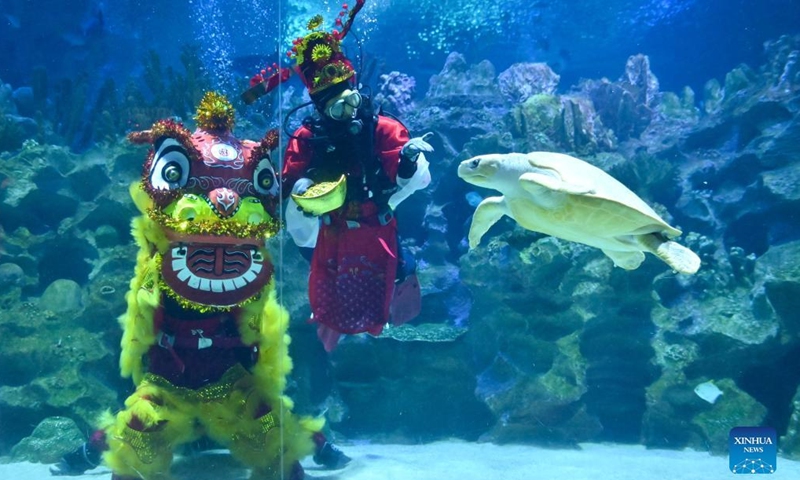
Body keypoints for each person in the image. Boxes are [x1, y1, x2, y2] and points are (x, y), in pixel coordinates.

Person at [259, 1, 433, 352]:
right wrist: (300, 189)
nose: (347, 111)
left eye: (349, 100)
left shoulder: (382, 128)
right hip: (331, 228)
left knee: (391, 271)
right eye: (335, 106)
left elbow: (403, 174)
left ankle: (393, 300)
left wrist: (409, 163)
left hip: (376, 220)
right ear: (319, 106)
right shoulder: (308, 138)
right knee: (328, 282)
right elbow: (291, 179)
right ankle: (331, 325)